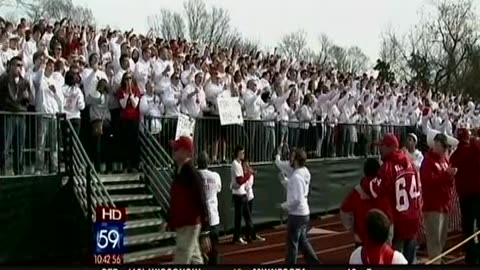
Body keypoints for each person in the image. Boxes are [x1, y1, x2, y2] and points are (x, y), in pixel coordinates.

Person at [363, 133, 422, 264]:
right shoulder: (411, 164)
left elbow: (375, 189)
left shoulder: (388, 166)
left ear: (390, 147)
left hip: (399, 219)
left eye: (382, 146)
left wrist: (365, 182)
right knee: (410, 259)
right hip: (414, 217)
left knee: (395, 259)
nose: (380, 149)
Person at [169, 136, 210, 264]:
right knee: (195, 258)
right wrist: (168, 219)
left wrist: (205, 232)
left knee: (182, 258)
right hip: (183, 223)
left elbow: (201, 201)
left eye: (177, 148)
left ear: (186, 152)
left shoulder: (192, 174)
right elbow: (175, 200)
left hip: (190, 223)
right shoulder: (178, 172)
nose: (173, 151)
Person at [420, 133, 457, 264]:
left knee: (441, 241)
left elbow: (447, 181)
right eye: (444, 146)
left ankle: (437, 261)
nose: (446, 149)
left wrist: (450, 176)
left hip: (444, 204)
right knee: (434, 242)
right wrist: (446, 175)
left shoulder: (444, 160)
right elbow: (428, 181)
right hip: (433, 206)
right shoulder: (428, 161)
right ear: (436, 145)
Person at [281, 149, 320, 264]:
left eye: (292, 158)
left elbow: (296, 199)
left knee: (292, 243)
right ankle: (314, 262)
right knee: (303, 241)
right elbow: (299, 189)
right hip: (303, 213)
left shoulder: (296, 176)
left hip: (296, 214)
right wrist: (286, 182)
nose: (290, 160)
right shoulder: (304, 172)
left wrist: (285, 205)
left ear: (296, 160)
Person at [450, 128, 480, 265]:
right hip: (478, 193)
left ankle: (471, 257)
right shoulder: (476, 149)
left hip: (465, 196)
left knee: (468, 229)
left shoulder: (455, 155)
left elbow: (450, 172)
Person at [0, 56, 33, 175]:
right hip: (8, 116)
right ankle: (2, 171)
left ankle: (18, 171)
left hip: (21, 117)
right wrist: (21, 99)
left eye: (21, 66)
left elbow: (30, 100)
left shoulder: (24, 81)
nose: (19, 68)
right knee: (5, 146)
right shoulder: (4, 79)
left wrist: (26, 98)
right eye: (17, 65)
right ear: (11, 66)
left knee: (20, 146)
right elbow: (9, 101)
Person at [341, 158, 381, 246]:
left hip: (361, 237)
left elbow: (345, 210)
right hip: (379, 236)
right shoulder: (383, 188)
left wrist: (352, 229)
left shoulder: (357, 191)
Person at [197, 151, 221, 265]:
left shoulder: (195, 176)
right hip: (213, 217)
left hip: (200, 218)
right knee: (214, 250)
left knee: (198, 252)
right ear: (208, 162)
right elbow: (219, 189)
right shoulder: (215, 176)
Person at [230, 145, 254, 245]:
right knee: (239, 218)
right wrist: (248, 175)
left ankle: (250, 236)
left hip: (242, 193)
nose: (244, 154)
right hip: (238, 195)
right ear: (238, 153)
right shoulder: (235, 164)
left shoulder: (239, 164)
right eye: (242, 152)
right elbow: (239, 181)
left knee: (247, 216)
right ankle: (237, 238)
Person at [243, 159, 266, 242]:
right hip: (243, 199)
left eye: (247, 166)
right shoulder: (241, 175)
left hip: (249, 199)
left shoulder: (250, 176)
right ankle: (251, 235)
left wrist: (245, 179)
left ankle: (251, 235)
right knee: (247, 218)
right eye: (244, 166)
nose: (245, 167)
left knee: (248, 218)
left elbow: (247, 186)